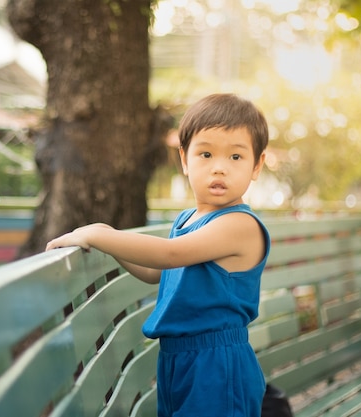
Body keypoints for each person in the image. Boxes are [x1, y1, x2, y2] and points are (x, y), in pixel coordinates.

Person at [45, 93, 270, 417]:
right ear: (184, 159)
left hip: (216, 362)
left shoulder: (240, 225)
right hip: (176, 357)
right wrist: (109, 237)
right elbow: (157, 272)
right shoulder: (186, 220)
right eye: (205, 154)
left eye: (236, 157)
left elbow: (169, 254)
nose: (219, 168)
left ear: (256, 165)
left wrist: (101, 236)